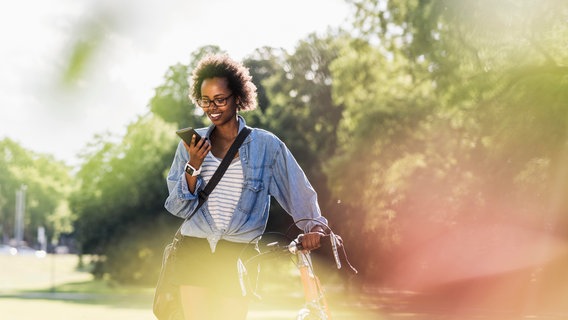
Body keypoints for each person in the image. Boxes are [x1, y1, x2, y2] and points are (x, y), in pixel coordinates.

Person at [164, 53, 328, 320]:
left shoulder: (267, 146)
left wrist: (315, 227)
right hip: (194, 247)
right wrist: (193, 164)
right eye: (205, 101)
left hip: (237, 253)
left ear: (237, 98)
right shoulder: (191, 146)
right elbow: (178, 207)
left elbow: (297, 189)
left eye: (220, 99)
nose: (212, 107)